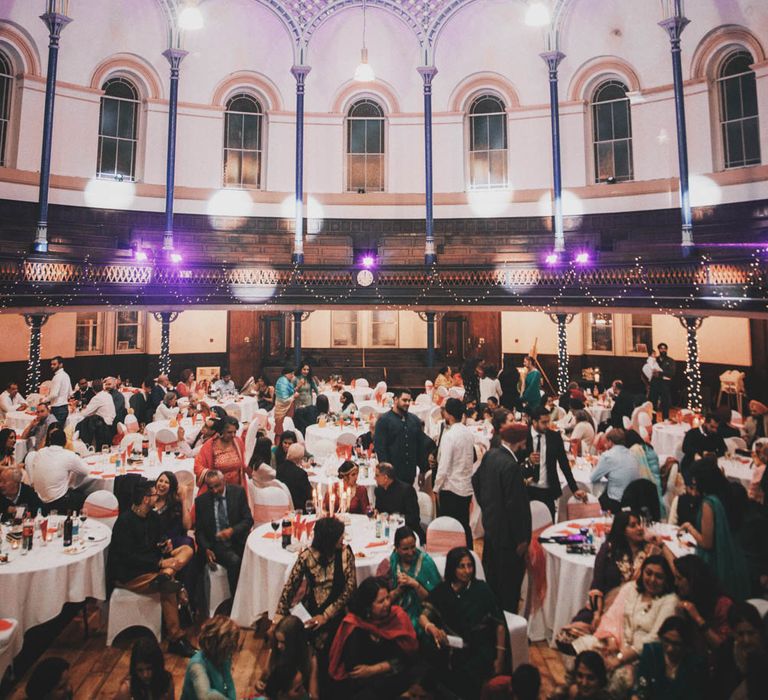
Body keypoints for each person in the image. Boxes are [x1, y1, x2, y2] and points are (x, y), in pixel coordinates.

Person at [108, 480, 195, 657]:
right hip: (130, 574)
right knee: (168, 588)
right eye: (155, 494)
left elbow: (157, 542)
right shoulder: (124, 522)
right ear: (146, 499)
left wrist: (165, 546)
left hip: (154, 567)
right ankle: (175, 638)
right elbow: (128, 558)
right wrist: (159, 563)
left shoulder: (153, 517)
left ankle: (166, 576)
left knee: (187, 550)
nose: (158, 496)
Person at [572, 556, 679, 694]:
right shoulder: (631, 588)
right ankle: (575, 693)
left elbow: (655, 638)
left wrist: (620, 658)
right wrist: (611, 640)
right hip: (616, 643)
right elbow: (612, 616)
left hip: (640, 657)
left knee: (620, 677)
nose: (652, 580)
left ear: (666, 580)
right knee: (585, 647)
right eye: (648, 573)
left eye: (659, 576)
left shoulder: (670, 601)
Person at [419, 546, 506, 699]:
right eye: (462, 566)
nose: (467, 571)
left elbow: (499, 624)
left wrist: (500, 658)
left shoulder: (482, 589)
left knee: (469, 676)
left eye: (470, 565)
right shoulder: (443, 590)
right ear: (452, 568)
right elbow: (423, 616)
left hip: (479, 648)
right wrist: (431, 628)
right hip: (450, 647)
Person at [560, 511, 660, 640]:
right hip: (604, 604)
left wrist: (660, 543)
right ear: (623, 530)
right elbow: (597, 585)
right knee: (567, 636)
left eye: (640, 524)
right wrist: (596, 614)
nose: (640, 528)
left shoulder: (650, 551)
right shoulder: (609, 549)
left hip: (635, 609)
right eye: (633, 525)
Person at [328, 576, 420, 699]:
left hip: (396, 676)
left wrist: (375, 669)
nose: (387, 603)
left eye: (388, 598)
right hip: (368, 686)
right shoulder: (355, 625)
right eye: (381, 601)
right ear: (367, 606)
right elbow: (355, 670)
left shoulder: (397, 616)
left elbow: (408, 656)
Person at [472, 422, 531, 612]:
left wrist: (488, 508)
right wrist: (522, 539)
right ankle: (507, 625)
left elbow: (476, 481)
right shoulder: (511, 466)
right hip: (509, 538)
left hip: (491, 528)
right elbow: (515, 507)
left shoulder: (491, 455)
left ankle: (495, 619)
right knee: (509, 587)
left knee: (493, 580)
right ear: (520, 442)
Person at [275, 517, 357, 653]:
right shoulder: (307, 556)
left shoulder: (345, 554)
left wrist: (326, 615)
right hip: (311, 609)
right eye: (339, 536)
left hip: (337, 610)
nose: (342, 538)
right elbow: (290, 588)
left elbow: (349, 589)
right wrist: (278, 618)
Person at [678, 458, 750, 600]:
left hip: (715, 560)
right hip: (734, 554)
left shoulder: (709, 503)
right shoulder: (729, 493)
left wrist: (689, 528)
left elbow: (706, 542)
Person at [195, 469, 253, 596]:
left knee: (254, 560)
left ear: (224, 481)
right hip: (217, 544)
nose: (215, 491)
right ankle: (236, 603)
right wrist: (206, 548)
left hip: (238, 539)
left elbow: (248, 520)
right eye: (211, 488)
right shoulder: (201, 501)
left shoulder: (238, 493)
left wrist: (232, 530)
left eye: (217, 486)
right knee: (235, 561)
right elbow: (198, 532)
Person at [524, 406, 587, 520]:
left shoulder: (554, 437)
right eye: (544, 422)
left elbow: (564, 464)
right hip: (528, 489)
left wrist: (574, 489)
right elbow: (515, 463)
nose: (547, 425)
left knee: (549, 522)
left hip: (548, 489)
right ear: (534, 422)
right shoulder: (524, 436)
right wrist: (528, 462)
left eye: (548, 421)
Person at [376, 525, 441, 632]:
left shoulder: (426, 562)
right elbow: (381, 599)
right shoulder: (389, 563)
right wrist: (399, 590)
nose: (410, 552)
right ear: (396, 548)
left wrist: (415, 585)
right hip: (394, 610)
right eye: (405, 549)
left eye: (413, 547)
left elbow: (435, 598)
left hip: (421, 613)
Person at [632, 615, 707, 700]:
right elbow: (639, 691)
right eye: (666, 641)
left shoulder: (695, 665)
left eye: (676, 644)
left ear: (686, 644)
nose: (670, 649)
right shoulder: (651, 652)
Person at [435, 397, 475, 547]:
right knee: (464, 524)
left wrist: (436, 487)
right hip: (466, 485)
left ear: (449, 414)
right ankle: (469, 553)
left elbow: (443, 465)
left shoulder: (450, 435)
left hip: (451, 487)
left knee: (450, 527)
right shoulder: (467, 433)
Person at [672, 554, 733, 654]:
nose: (675, 583)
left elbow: (722, 646)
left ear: (692, 580)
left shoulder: (723, 603)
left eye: (679, 579)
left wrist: (697, 618)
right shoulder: (685, 599)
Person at [711, 601, 767, 700]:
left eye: (751, 633)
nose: (747, 640)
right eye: (740, 634)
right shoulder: (725, 654)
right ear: (733, 633)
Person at [255, 615, 319, 700]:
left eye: (283, 642)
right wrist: (259, 684)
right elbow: (264, 677)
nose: (278, 646)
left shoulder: (310, 658)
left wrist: (299, 696)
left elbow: (314, 695)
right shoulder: (276, 651)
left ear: (295, 642)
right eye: (277, 641)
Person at [31, 427, 89, 514]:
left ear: (50, 441)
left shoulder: (40, 452)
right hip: (59, 500)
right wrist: (73, 484)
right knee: (85, 496)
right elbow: (86, 471)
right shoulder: (69, 455)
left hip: (39, 498)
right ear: (65, 442)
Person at [181, 615, 239, 699]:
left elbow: (229, 684)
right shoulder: (197, 665)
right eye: (230, 646)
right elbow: (205, 696)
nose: (232, 651)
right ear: (218, 645)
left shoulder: (224, 657)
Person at [374, 388, 424, 484]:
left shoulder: (415, 420)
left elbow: (420, 447)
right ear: (395, 400)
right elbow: (380, 449)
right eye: (404, 400)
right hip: (392, 475)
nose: (407, 403)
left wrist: (422, 470)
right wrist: (386, 474)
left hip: (410, 473)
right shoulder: (384, 421)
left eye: (409, 400)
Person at [590, 428, 641, 513]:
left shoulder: (608, 456)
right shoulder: (632, 454)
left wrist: (595, 466)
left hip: (616, 500)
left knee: (597, 499)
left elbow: (593, 478)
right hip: (633, 499)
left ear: (610, 441)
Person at [194, 415, 247, 490]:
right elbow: (198, 466)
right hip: (217, 490)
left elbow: (243, 463)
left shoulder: (238, 442)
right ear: (221, 431)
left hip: (236, 489)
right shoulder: (210, 446)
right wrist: (213, 476)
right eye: (229, 432)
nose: (233, 435)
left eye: (235, 432)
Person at [373, 462, 423, 541]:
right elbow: (379, 509)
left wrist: (395, 518)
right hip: (386, 530)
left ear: (385, 478)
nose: (374, 478)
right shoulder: (379, 490)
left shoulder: (407, 490)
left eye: (377, 475)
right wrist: (376, 512)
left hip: (407, 533)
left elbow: (414, 517)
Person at [680, 414, 727, 482]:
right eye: (712, 427)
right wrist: (701, 452)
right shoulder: (692, 433)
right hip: (691, 465)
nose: (714, 430)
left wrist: (713, 454)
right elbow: (685, 448)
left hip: (710, 467)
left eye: (716, 428)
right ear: (705, 423)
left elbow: (723, 449)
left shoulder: (716, 434)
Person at [276, 442, 312, 512]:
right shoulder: (301, 474)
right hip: (298, 508)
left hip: (282, 504)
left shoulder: (278, 469)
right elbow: (309, 495)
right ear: (300, 458)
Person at [649, 343, 675, 420]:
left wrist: (660, 374)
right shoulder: (654, 359)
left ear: (666, 350)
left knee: (665, 404)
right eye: (661, 348)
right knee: (653, 403)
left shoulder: (670, 361)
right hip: (655, 384)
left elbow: (671, 373)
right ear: (659, 349)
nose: (663, 350)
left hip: (665, 385)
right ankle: (653, 420)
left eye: (664, 348)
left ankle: (665, 419)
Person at [48, 355, 72, 426]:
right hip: (64, 408)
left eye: (54, 364)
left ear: (61, 364)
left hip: (57, 409)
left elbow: (54, 394)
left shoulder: (57, 377)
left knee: (54, 432)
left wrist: (43, 400)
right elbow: (70, 393)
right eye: (51, 364)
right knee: (59, 431)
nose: (52, 366)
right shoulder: (66, 375)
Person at [274, 366, 298, 435]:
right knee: (282, 427)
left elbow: (289, 391)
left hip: (288, 407)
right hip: (284, 409)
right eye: (291, 374)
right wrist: (294, 396)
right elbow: (284, 400)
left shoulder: (283, 380)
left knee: (285, 425)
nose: (292, 376)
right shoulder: (283, 381)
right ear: (286, 374)